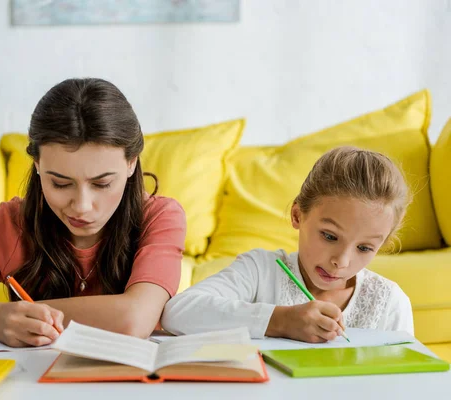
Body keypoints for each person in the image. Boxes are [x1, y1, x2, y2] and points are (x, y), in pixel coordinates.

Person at [0, 78, 186, 347]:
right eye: (60, 183)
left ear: (131, 163)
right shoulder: (8, 226)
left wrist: (12, 315)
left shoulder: (160, 217)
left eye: (102, 183)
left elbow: (133, 318)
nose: (82, 206)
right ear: (36, 164)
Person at [161, 146, 414, 343]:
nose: (342, 261)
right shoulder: (261, 270)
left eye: (364, 248)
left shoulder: (390, 302)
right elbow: (178, 311)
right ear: (297, 215)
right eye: (329, 236)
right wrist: (279, 320)